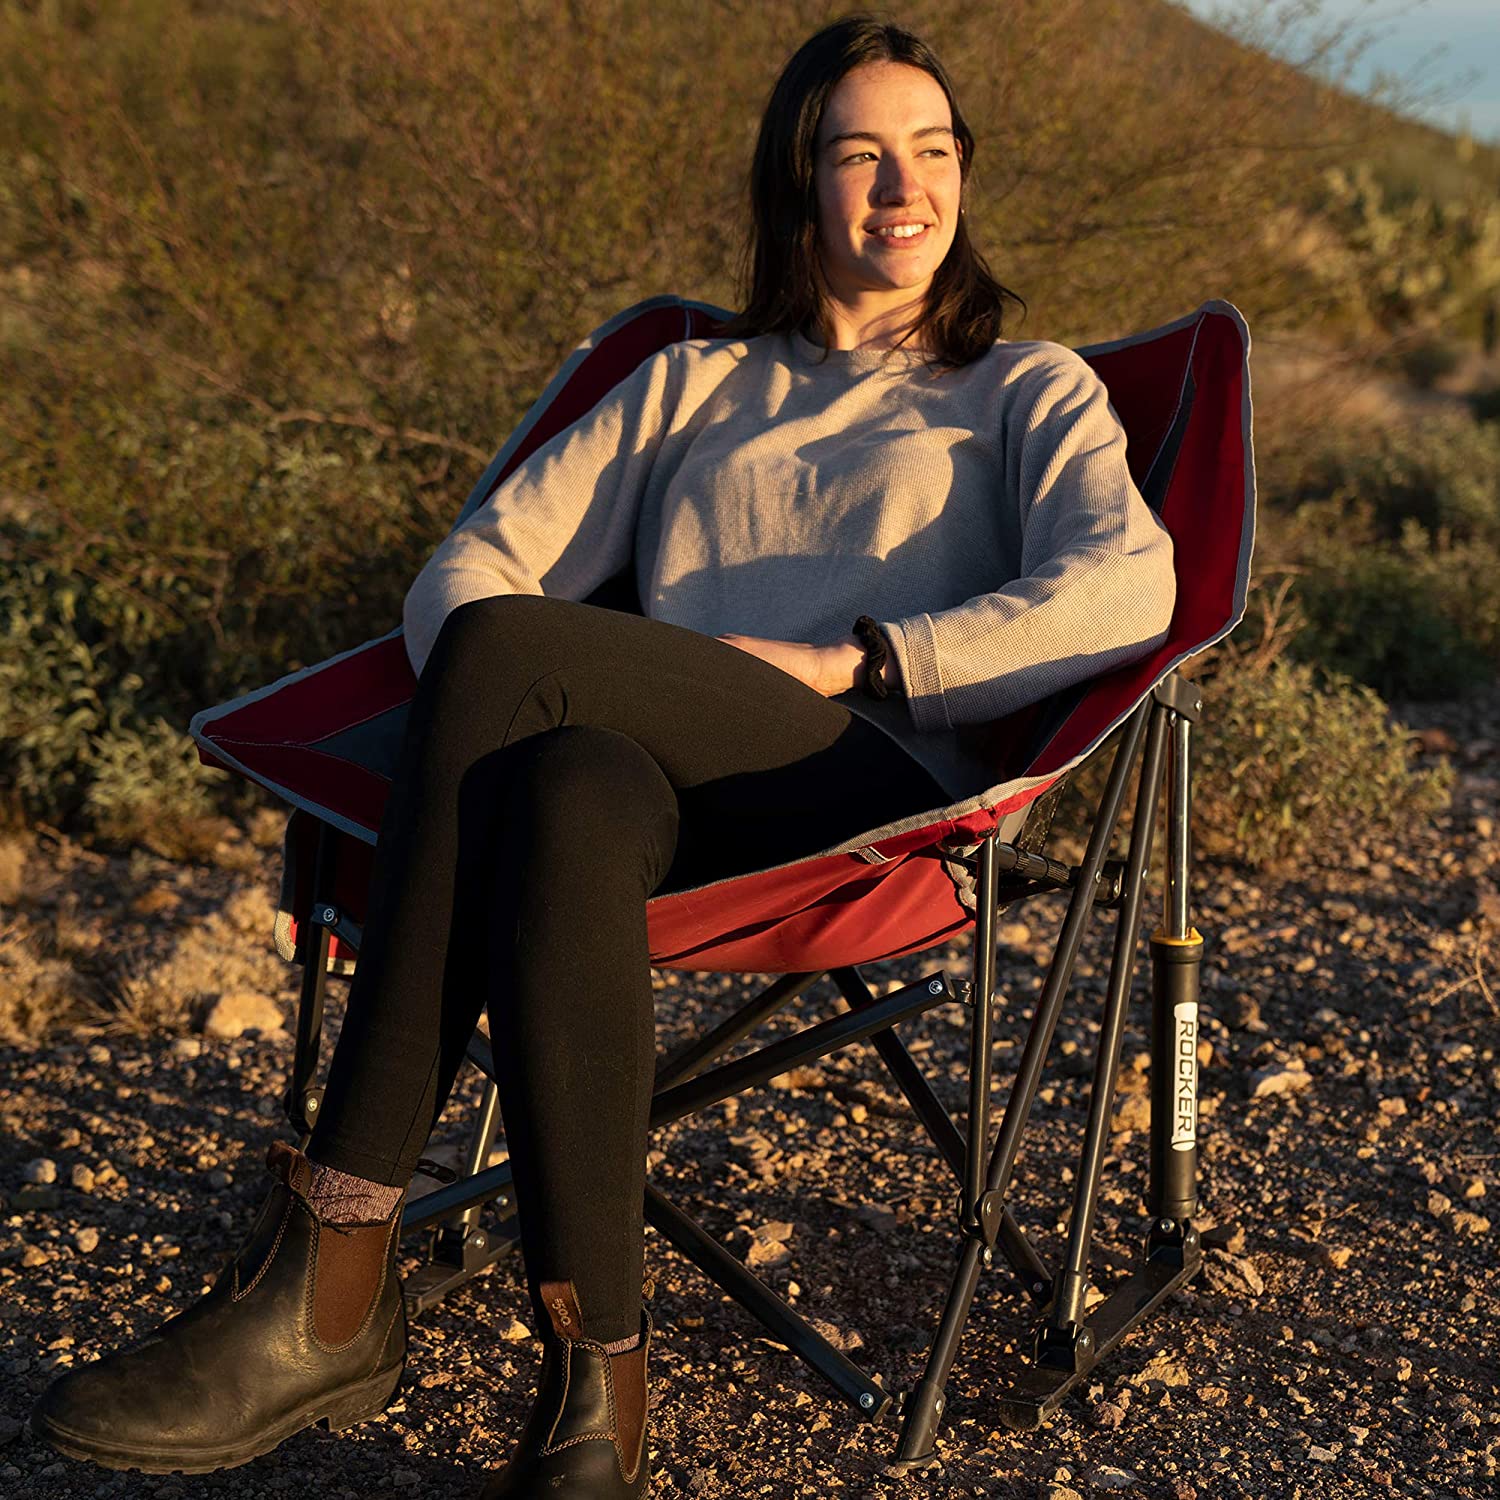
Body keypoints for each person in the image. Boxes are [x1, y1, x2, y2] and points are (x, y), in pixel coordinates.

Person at [31, 15, 1175, 1498]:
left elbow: (1129, 584)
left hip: (864, 779)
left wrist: (865, 657)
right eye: (861, 155)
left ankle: (329, 1268)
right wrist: (502, 717)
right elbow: (464, 575)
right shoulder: (691, 387)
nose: (907, 189)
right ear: (793, 187)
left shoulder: (1024, 386)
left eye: (937, 152)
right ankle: (596, 1400)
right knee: (559, 782)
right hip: (665, 795)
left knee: (517, 653)